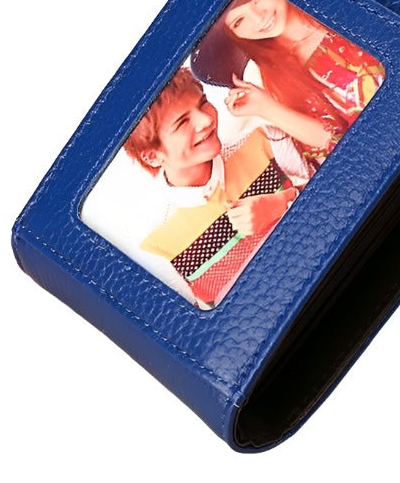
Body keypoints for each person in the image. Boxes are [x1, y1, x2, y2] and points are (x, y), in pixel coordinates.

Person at [121, 67, 304, 309]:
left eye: (203, 103)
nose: (206, 120)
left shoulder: (264, 138)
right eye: (182, 122)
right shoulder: (157, 245)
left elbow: (333, 195)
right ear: (153, 156)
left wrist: (284, 203)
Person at [221, 0, 385, 162]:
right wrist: (266, 108)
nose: (259, 18)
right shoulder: (280, 79)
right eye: (239, 21)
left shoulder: (336, 1)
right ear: (234, 35)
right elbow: (336, 145)